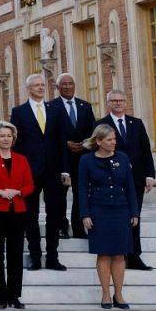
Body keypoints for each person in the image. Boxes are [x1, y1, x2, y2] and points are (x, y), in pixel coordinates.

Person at [78, 122, 139, 309]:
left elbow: (130, 187)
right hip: (99, 210)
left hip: (120, 209)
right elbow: (81, 189)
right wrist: (85, 214)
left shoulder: (122, 157)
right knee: (104, 254)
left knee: (120, 254)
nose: (114, 142)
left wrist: (134, 212)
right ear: (99, 141)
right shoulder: (86, 160)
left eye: (115, 139)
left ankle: (118, 294)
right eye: (110, 139)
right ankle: (105, 294)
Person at [96, 90, 156, 271]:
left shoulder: (136, 123)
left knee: (135, 216)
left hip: (136, 178)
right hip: (112, 180)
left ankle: (134, 255)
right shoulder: (100, 124)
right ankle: (119, 253)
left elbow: (145, 150)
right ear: (108, 103)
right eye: (114, 100)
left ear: (126, 102)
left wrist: (149, 175)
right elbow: (96, 152)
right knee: (118, 218)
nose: (118, 103)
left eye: (121, 100)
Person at [0, 120, 35, 309]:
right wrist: (0, 192)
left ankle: (14, 295)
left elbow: (30, 185)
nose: (6, 139)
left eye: (9, 136)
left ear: (13, 138)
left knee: (16, 253)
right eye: (2, 136)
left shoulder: (22, 159)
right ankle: (1, 295)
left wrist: (19, 192)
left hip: (17, 210)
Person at [9, 73, 61, 270]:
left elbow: (60, 141)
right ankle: (35, 256)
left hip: (53, 170)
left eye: (42, 85)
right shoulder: (19, 112)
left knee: (54, 214)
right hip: (29, 172)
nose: (41, 88)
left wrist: (64, 169)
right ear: (28, 88)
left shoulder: (55, 110)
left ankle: (53, 257)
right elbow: (15, 143)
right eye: (36, 85)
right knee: (30, 214)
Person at [51, 73, 95, 241]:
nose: (68, 87)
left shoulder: (85, 106)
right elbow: (50, 134)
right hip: (60, 159)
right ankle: (62, 226)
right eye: (64, 84)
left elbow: (92, 131)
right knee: (59, 195)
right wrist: (65, 143)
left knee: (81, 193)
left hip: (82, 158)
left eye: (70, 84)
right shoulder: (51, 107)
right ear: (57, 87)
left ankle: (78, 228)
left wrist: (84, 144)